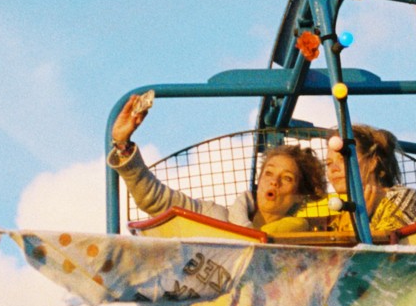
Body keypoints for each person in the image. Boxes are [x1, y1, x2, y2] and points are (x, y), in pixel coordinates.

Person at [108, 92, 327, 230]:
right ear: (258, 181)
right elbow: (155, 200)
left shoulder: (307, 240)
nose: (274, 182)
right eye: (268, 173)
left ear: (300, 195)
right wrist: (122, 145)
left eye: (287, 178)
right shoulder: (216, 218)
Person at [312, 124, 416, 241]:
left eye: (343, 160)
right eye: (328, 164)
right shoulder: (340, 214)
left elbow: (388, 255)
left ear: (372, 162)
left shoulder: (406, 198)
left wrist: (360, 222)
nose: (333, 169)